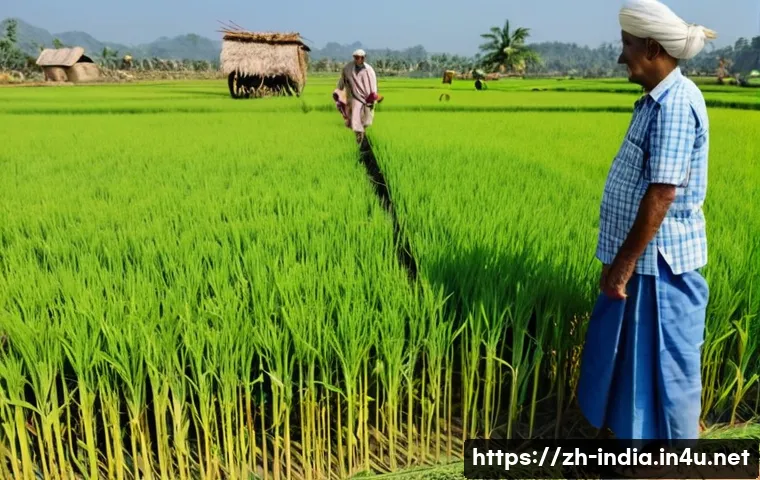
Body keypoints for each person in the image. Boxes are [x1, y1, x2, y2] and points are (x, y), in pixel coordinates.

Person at [577, 0, 716, 442]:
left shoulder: (675, 105)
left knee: (667, 368)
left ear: (653, 48)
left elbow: (662, 193)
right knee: (634, 362)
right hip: (644, 262)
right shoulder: (655, 102)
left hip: (662, 264)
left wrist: (622, 264)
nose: (622, 56)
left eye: (628, 44)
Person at [336, 49, 382, 144]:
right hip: (353, 98)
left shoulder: (369, 70)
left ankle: (361, 135)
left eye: (361, 57)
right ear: (354, 58)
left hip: (367, 98)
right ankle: (359, 138)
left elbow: (373, 86)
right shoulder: (347, 68)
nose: (359, 59)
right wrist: (339, 90)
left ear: (364, 58)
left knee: (366, 120)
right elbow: (342, 80)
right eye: (357, 57)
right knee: (354, 119)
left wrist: (373, 99)